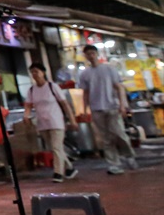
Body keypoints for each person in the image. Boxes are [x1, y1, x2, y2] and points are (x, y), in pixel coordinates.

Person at [77, 45, 137, 174]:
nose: (91, 56)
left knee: (119, 133)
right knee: (106, 138)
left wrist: (122, 105)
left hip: (112, 106)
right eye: (88, 54)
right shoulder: (84, 74)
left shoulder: (109, 69)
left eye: (92, 53)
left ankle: (128, 155)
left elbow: (119, 87)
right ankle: (114, 164)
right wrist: (85, 109)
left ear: (97, 54)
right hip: (96, 108)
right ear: (85, 56)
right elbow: (85, 93)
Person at [24, 63, 78, 182]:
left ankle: (58, 173)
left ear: (43, 72)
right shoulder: (32, 90)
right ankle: (69, 167)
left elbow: (64, 104)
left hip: (56, 121)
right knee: (54, 148)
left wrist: (72, 119)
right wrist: (26, 116)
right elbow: (28, 104)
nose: (34, 74)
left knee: (56, 147)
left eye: (36, 71)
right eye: (32, 72)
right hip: (42, 122)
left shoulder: (52, 87)